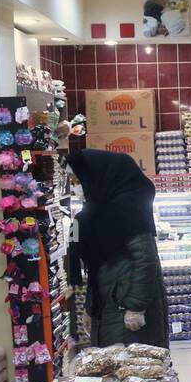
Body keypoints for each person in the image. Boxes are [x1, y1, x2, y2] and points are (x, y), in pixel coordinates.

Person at [66, 149, 169, 349]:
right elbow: (96, 268)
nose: (75, 187)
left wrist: (135, 307)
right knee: (113, 369)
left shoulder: (130, 209)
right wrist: (90, 308)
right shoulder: (97, 212)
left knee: (135, 370)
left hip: (126, 308)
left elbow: (145, 259)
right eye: (72, 182)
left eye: (78, 180)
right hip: (107, 306)